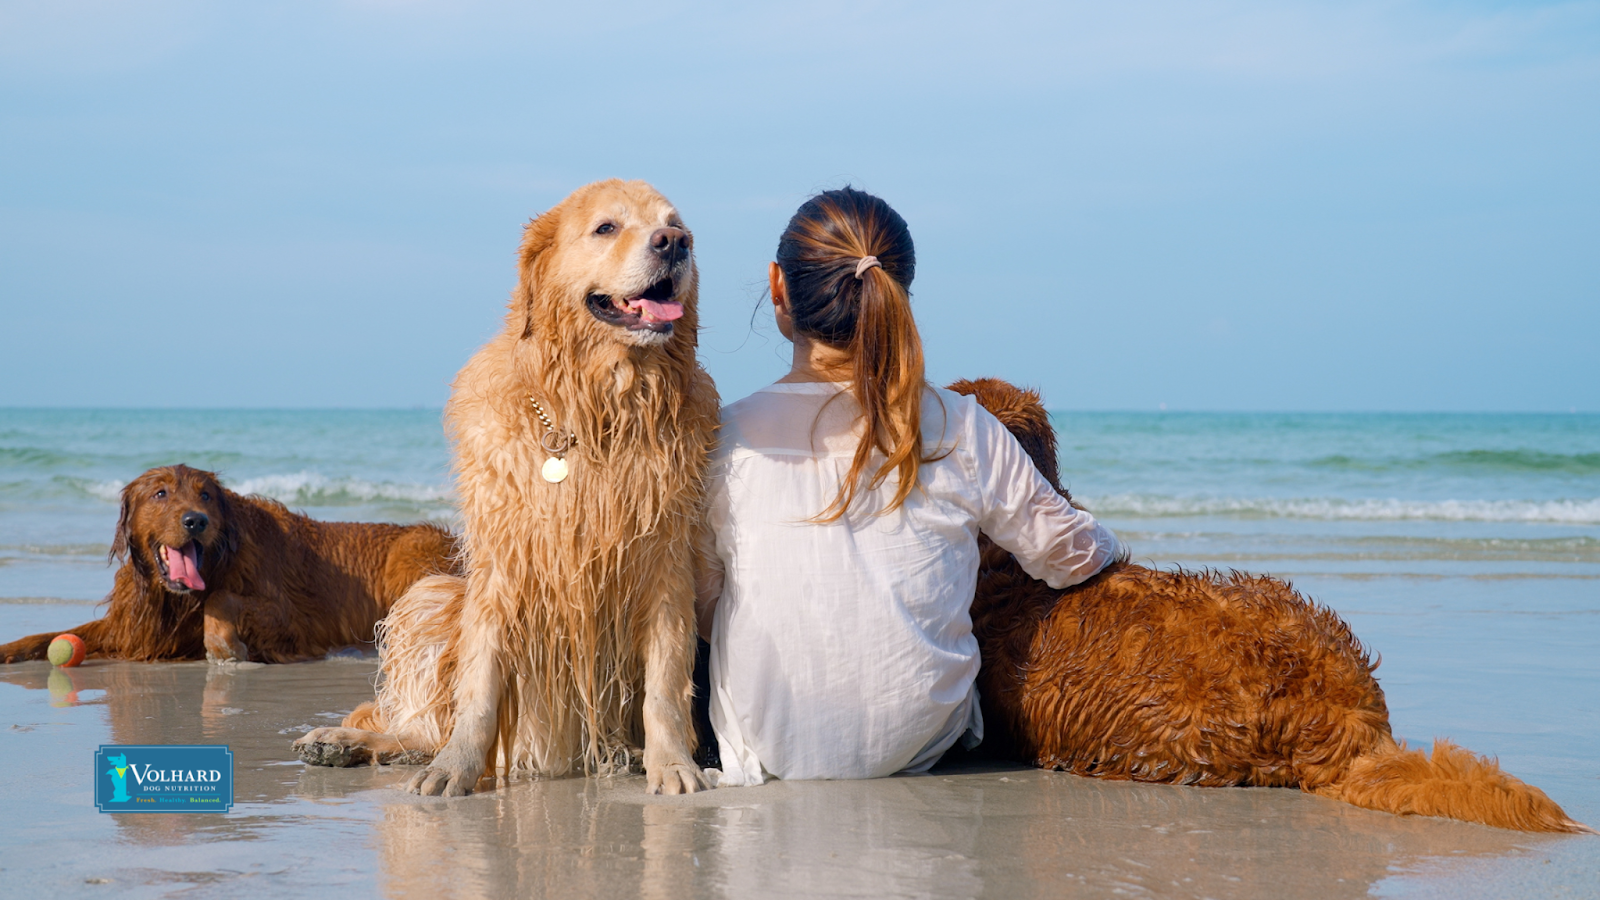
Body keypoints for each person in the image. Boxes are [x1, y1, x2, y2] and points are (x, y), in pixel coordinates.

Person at [696, 187, 1122, 786]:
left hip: (767, 752)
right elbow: (1070, 556)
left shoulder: (726, 436)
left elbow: (706, 608)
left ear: (777, 288)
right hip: (922, 742)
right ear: (900, 293)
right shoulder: (962, 424)